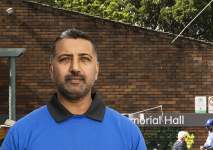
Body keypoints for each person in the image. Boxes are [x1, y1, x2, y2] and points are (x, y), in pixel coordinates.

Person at [0, 29, 146, 150]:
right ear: (51, 70)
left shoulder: (129, 134)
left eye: (84, 59)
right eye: (65, 59)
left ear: (96, 70)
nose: (75, 68)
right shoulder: (20, 134)